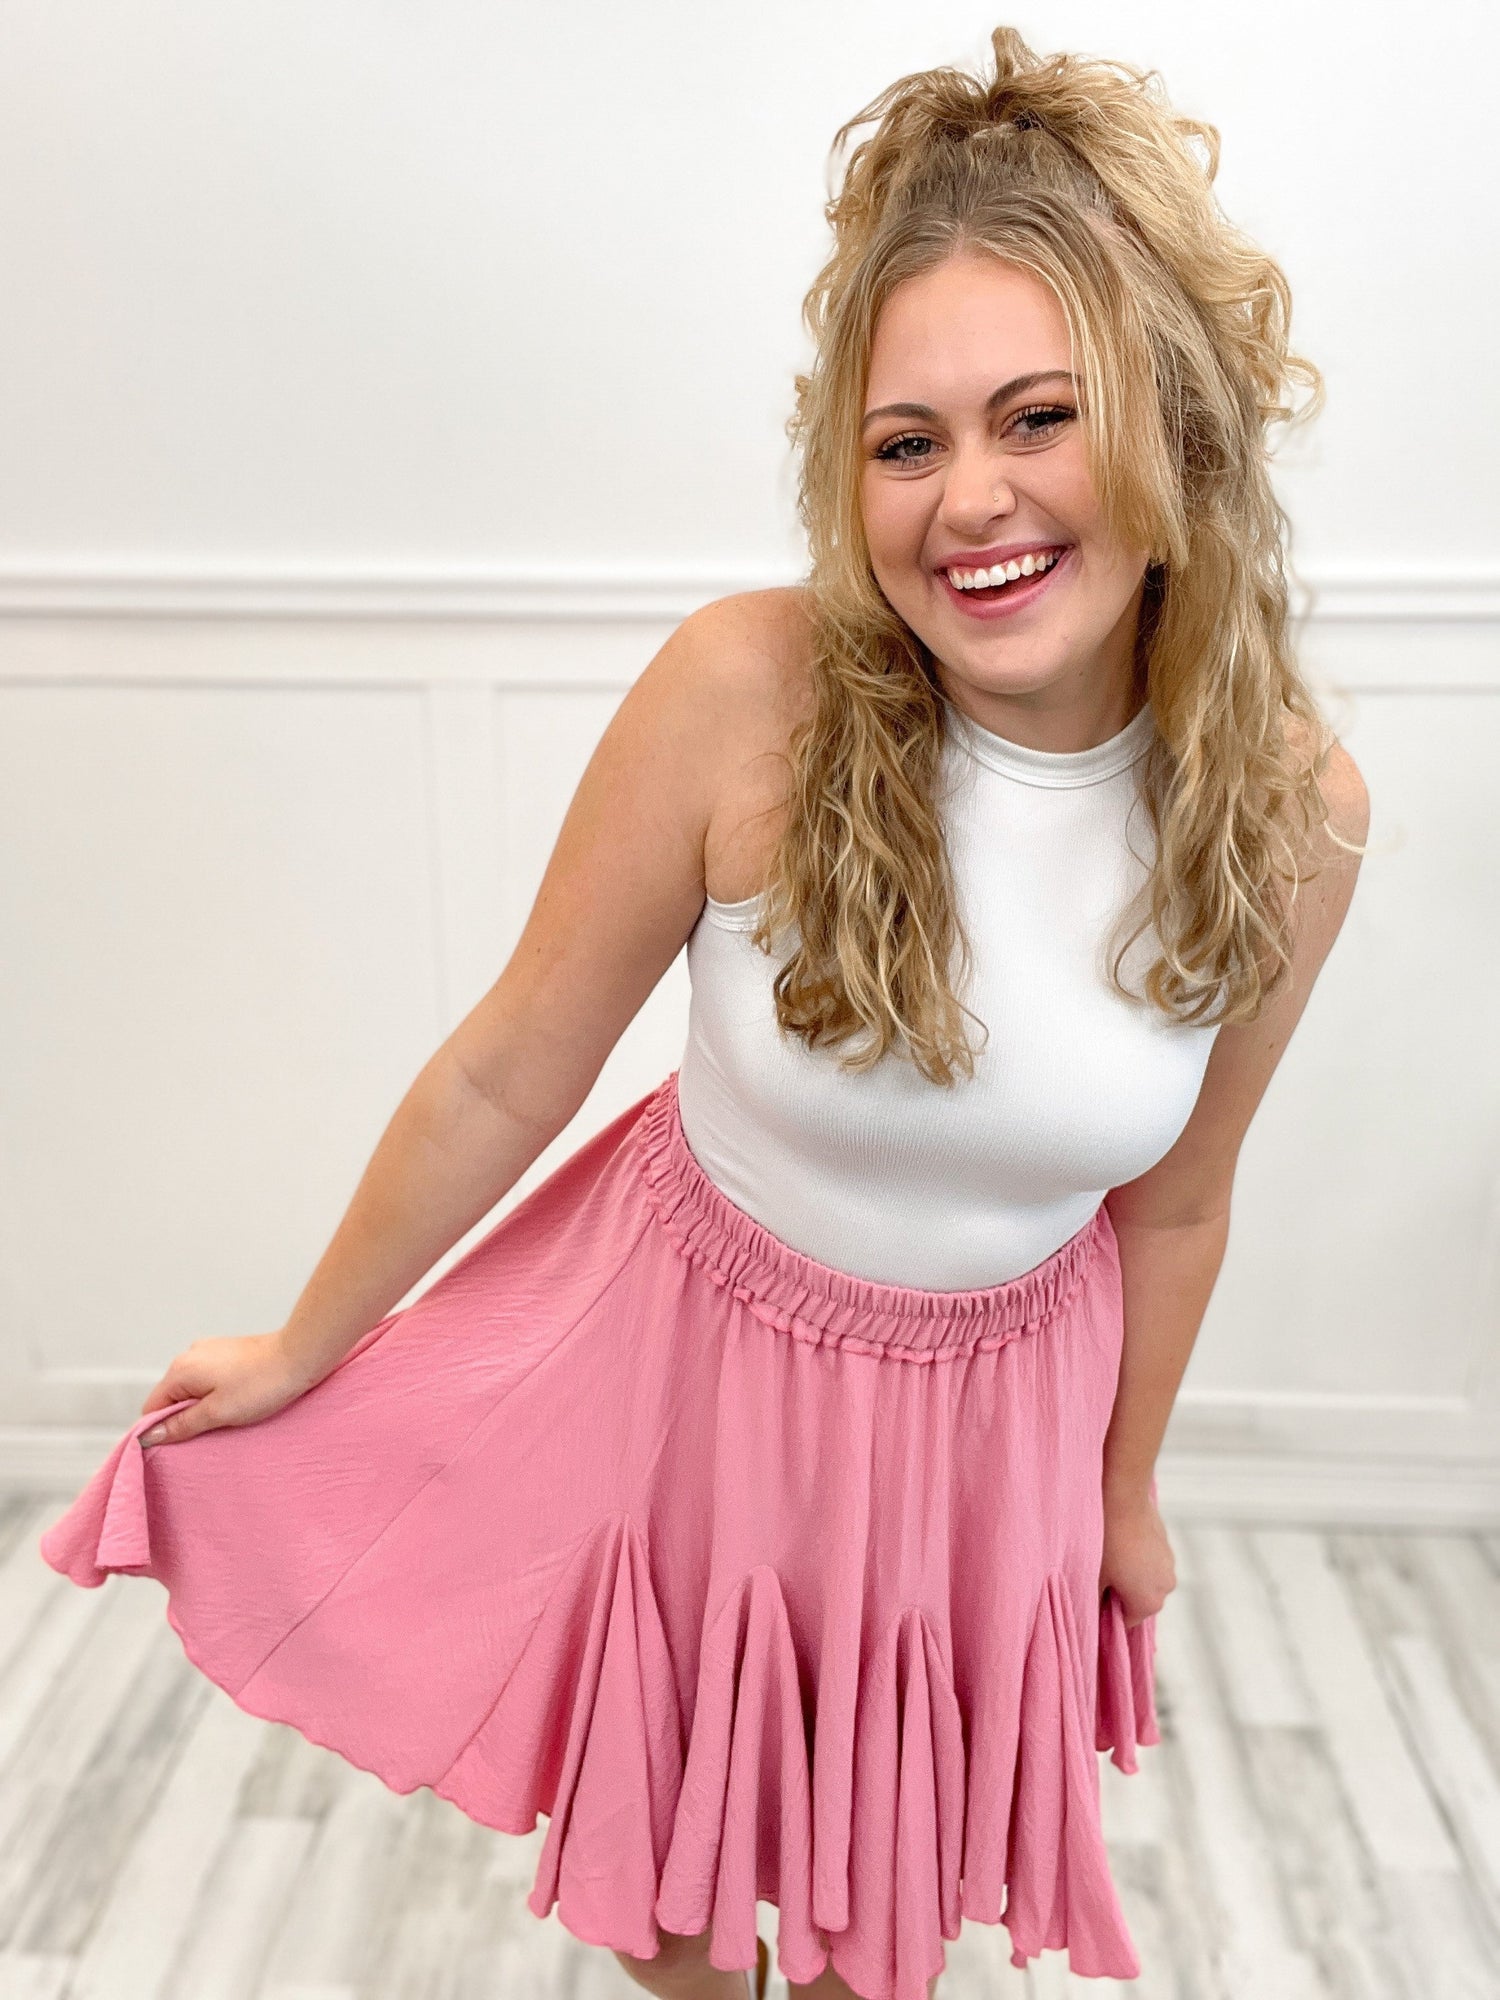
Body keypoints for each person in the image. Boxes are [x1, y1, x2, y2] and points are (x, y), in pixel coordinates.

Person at [39, 23, 1369, 2000]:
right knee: (674, 1901)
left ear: (1173, 426)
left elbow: (1177, 1199)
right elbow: (511, 1067)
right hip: (689, 1379)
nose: (971, 499)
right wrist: (310, 1342)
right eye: (906, 443)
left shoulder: (1288, 809)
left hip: (989, 1436)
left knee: (865, 1919)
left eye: (1039, 418)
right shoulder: (748, 696)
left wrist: (1122, 1488)